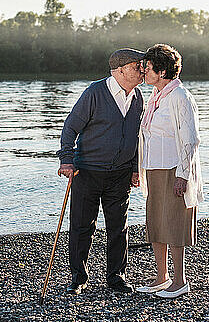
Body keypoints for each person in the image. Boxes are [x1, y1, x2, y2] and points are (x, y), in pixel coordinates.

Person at [56, 48, 145, 294]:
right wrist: (66, 159)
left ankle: (116, 277)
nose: (142, 70)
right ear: (119, 70)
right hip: (87, 171)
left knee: (118, 227)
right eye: (137, 66)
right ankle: (78, 277)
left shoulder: (138, 97)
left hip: (120, 174)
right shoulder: (95, 92)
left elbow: (137, 136)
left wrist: (135, 168)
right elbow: (71, 126)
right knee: (83, 226)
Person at [135, 43, 204, 299]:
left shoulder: (180, 97)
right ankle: (161, 276)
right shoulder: (156, 96)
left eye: (148, 68)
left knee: (174, 224)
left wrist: (183, 175)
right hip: (154, 168)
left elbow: (190, 139)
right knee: (156, 223)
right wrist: (138, 170)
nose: (144, 72)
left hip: (175, 170)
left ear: (162, 71)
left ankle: (180, 281)